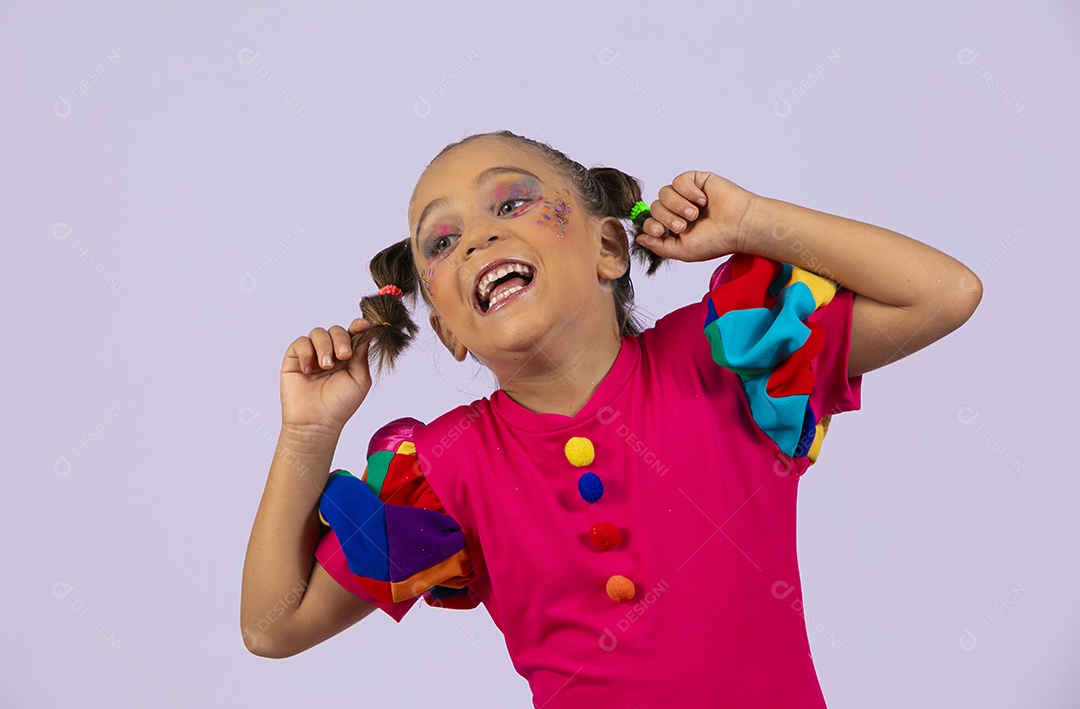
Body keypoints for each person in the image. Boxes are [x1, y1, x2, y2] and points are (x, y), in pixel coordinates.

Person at [240, 129, 982, 707]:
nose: (477, 239)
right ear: (448, 331)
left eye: (510, 203)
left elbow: (944, 294)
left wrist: (755, 222)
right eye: (442, 241)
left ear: (606, 247)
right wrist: (308, 434)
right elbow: (273, 626)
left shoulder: (723, 357)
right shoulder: (447, 466)